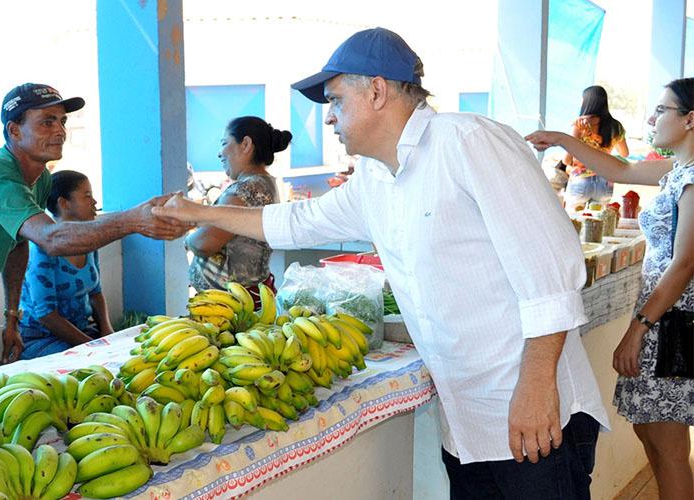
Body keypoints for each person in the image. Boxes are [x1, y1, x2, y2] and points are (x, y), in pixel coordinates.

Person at [154, 27, 608, 498]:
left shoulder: (468, 142)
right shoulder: (376, 176)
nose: (329, 119)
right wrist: (198, 212)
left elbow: (551, 274)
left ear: (376, 90)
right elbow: (298, 221)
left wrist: (535, 388)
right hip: (469, 422)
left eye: (334, 101)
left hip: (532, 411)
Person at [0, 83, 190, 387]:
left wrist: (11, 317)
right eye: (47, 122)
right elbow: (51, 239)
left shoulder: (40, 178)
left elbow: (18, 246)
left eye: (62, 121)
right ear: (14, 131)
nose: (59, 131)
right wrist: (132, 220)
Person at [526, 77, 694, 500]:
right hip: (662, 318)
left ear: (690, 119)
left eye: (662, 110)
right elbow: (618, 169)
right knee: (651, 434)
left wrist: (637, 328)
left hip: (672, 324)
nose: (652, 119)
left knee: (668, 445)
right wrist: (563, 138)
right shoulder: (679, 170)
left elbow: (685, 264)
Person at [187, 116, 291, 305]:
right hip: (248, 296)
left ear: (245, 144)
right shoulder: (265, 183)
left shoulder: (247, 188)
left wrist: (188, 239)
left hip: (232, 306)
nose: (220, 153)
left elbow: (205, 243)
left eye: (224, 143)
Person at [18, 170, 114, 359]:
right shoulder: (42, 249)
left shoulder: (87, 240)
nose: (94, 202)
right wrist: (90, 346)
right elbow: (46, 314)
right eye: (87, 196)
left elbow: (96, 293)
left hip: (82, 332)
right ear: (64, 204)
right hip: (42, 339)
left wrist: (107, 331)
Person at [563, 85, 629, 210]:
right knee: (597, 225)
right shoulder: (616, 126)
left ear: (587, 101)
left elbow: (567, 159)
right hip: (605, 183)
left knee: (573, 224)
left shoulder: (579, 124)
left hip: (581, 181)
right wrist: (608, 144)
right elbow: (624, 153)